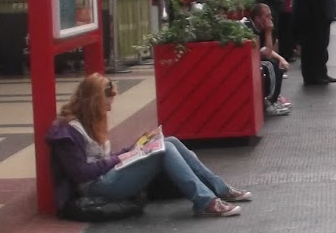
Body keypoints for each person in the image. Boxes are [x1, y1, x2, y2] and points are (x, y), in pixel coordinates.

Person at [46, 74, 250, 218]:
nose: (108, 109)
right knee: (164, 150)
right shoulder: (68, 131)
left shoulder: (88, 123)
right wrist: (121, 158)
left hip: (107, 177)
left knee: (170, 141)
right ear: (94, 104)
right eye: (106, 104)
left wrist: (135, 148)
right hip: (96, 187)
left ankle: (220, 188)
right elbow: (80, 173)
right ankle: (206, 202)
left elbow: (103, 159)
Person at [245, 2, 292, 116]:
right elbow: (266, 53)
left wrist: (281, 58)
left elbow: (266, 50)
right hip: (244, 61)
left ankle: (274, 99)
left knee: (277, 63)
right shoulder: (248, 28)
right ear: (257, 19)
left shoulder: (260, 28)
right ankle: (269, 102)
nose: (271, 18)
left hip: (253, 58)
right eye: (267, 16)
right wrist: (268, 31)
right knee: (269, 65)